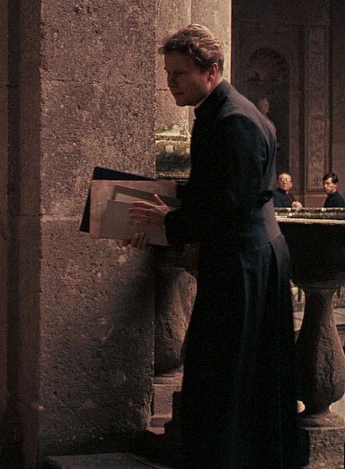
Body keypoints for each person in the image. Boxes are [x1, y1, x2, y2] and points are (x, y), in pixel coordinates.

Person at [126, 25, 304, 468]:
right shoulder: (220, 112)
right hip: (243, 255)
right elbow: (217, 188)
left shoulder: (234, 120)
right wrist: (165, 210)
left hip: (245, 261)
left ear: (212, 71)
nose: (171, 82)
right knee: (229, 372)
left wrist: (169, 223)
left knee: (228, 371)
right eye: (168, 73)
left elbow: (229, 204)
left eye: (180, 73)